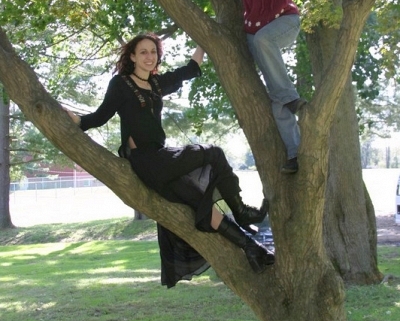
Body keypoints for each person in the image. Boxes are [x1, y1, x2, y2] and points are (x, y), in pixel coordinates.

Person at [66, 32, 274, 288]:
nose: (149, 57)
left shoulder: (156, 84)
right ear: (132, 57)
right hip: (147, 161)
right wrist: (76, 120)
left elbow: (190, 70)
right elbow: (99, 117)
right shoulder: (121, 84)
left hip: (164, 159)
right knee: (214, 152)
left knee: (200, 205)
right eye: (143, 52)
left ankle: (253, 250)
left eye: (153, 52)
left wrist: (203, 41)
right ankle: (242, 212)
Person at [164, 0, 345, 174]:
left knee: (264, 43)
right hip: (256, 33)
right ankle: (295, 153)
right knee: (275, 95)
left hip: (285, 23)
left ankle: (290, 97)